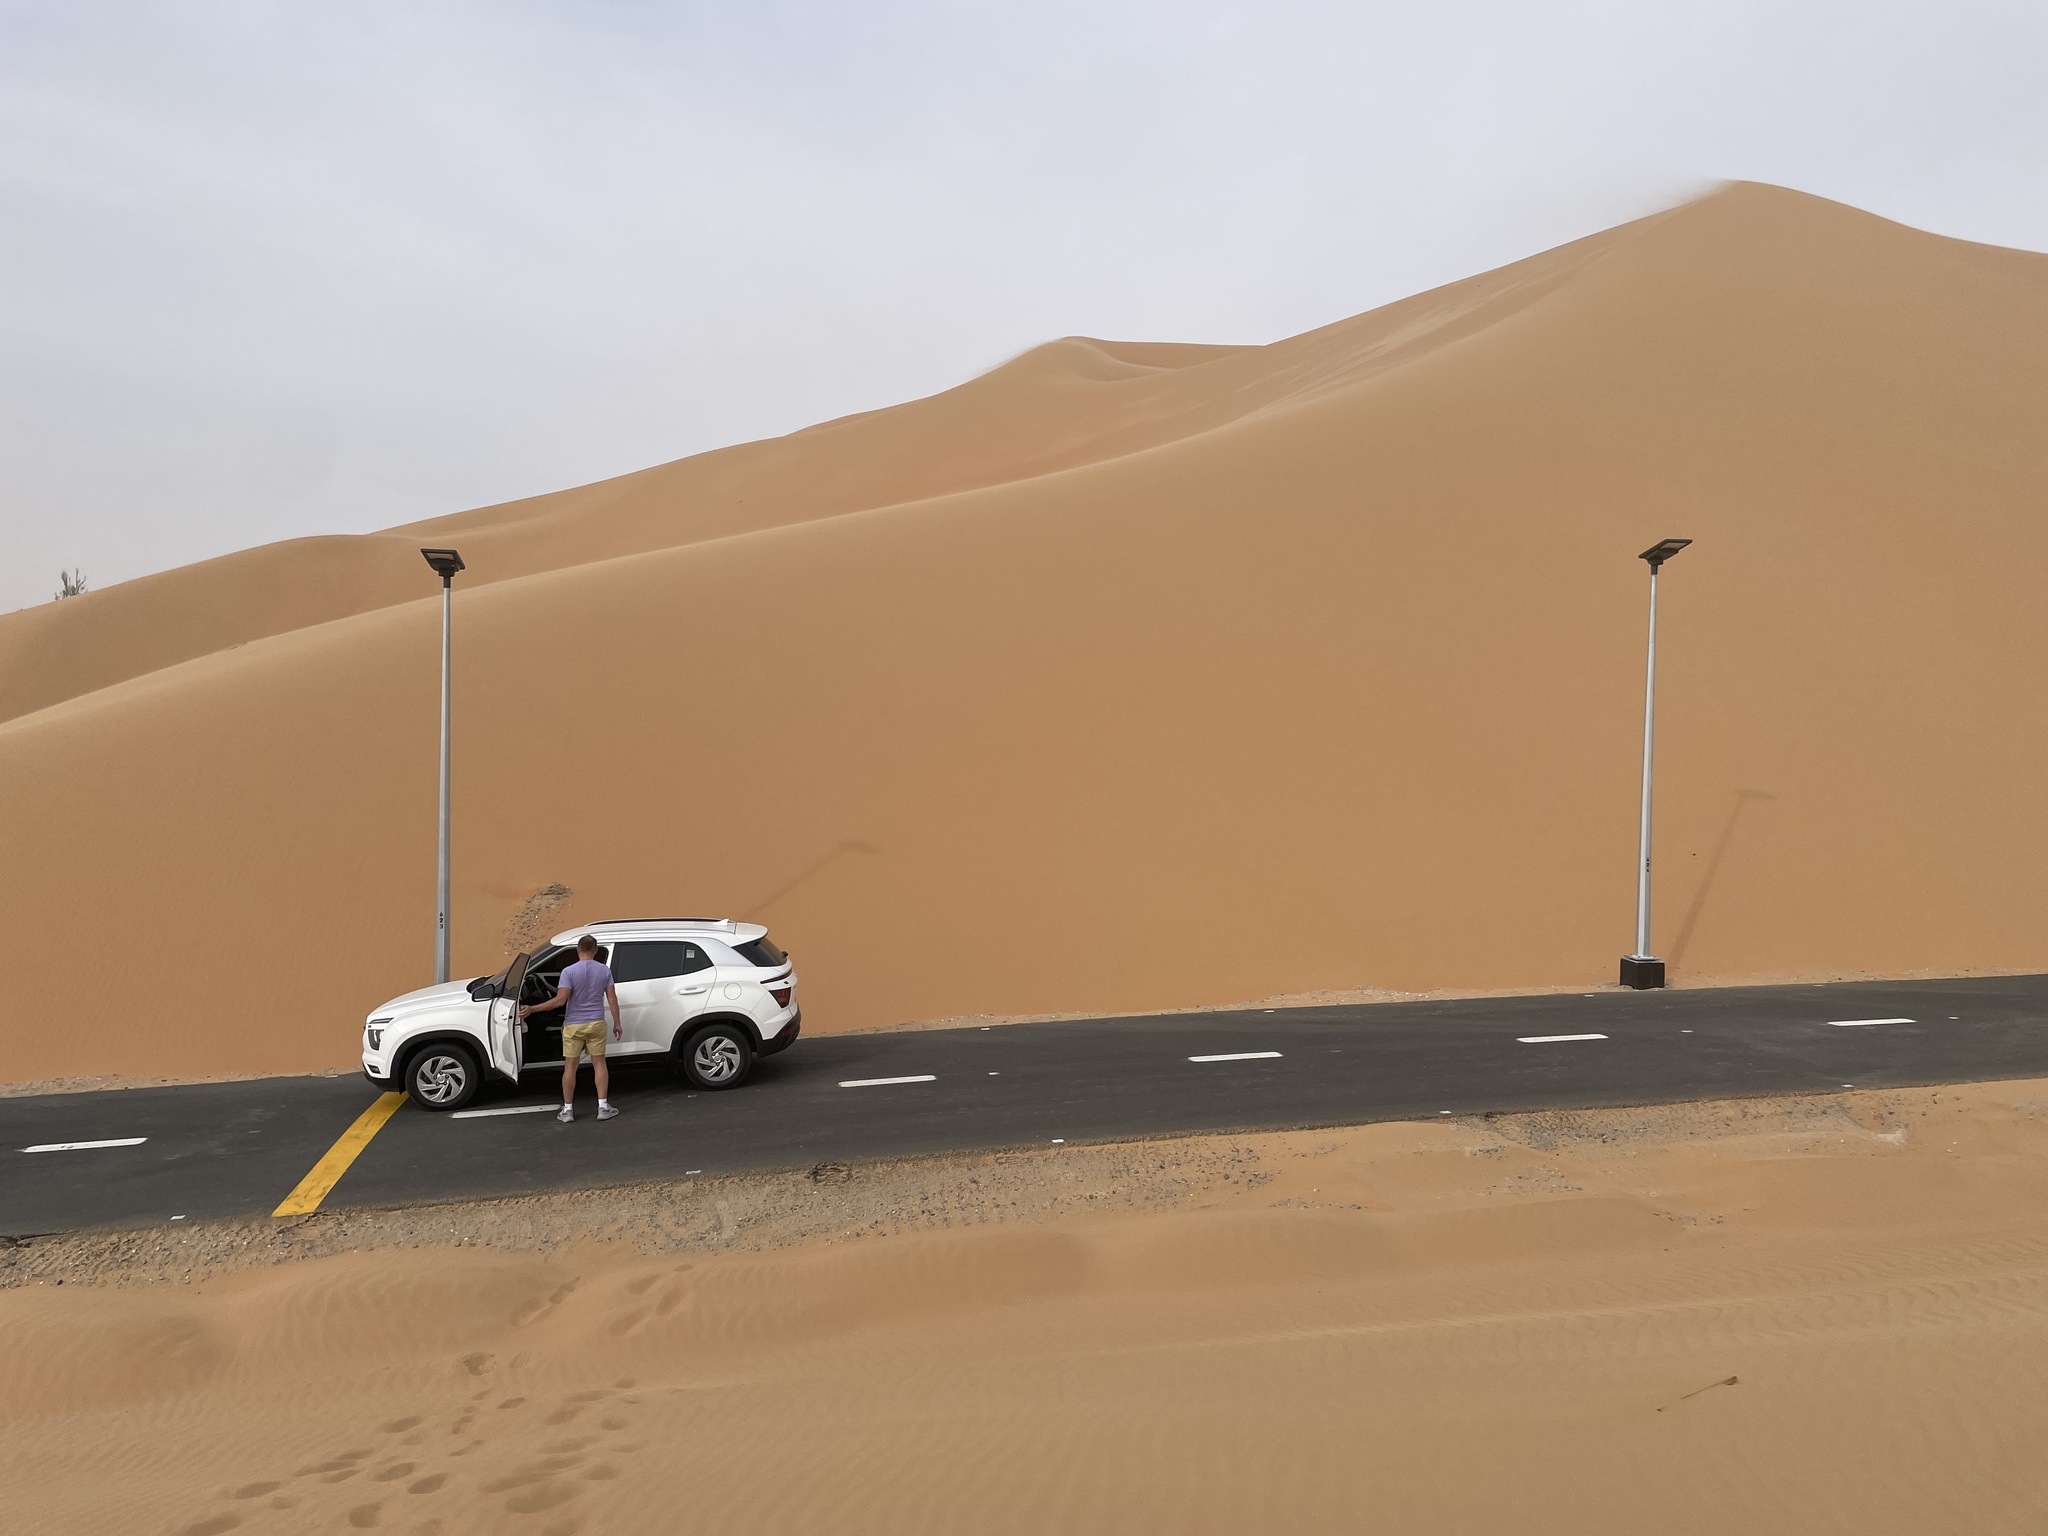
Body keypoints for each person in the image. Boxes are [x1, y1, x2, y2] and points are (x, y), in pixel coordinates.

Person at [520, 933, 622, 1122]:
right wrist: (617, 1022)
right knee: (599, 1064)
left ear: (578, 950)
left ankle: (567, 1110)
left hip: (573, 1025)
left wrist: (532, 1009)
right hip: (596, 1023)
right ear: (596, 951)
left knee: (570, 1067)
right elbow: (612, 999)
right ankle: (602, 1107)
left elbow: (559, 1001)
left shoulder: (569, 972)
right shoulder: (604, 971)